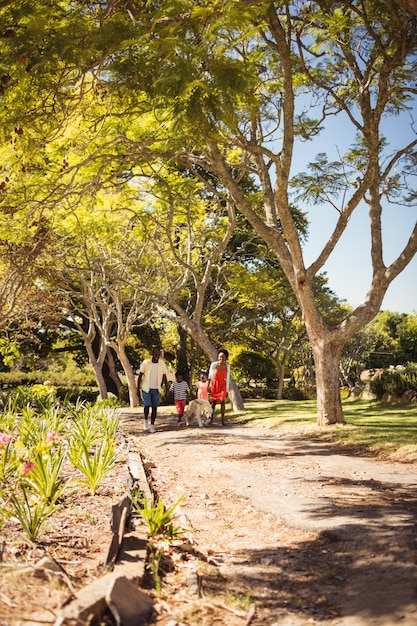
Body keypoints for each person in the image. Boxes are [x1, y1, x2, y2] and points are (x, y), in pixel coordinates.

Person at [137, 347, 169, 433]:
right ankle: (145, 421)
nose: (157, 356)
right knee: (147, 405)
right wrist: (137, 389)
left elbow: (164, 377)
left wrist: (167, 389)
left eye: (158, 355)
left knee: (154, 408)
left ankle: (152, 425)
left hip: (156, 388)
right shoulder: (146, 363)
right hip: (146, 388)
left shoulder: (162, 364)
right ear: (152, 353)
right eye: (155, 354)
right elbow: (140, 376)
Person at [208, 349, 231, 426]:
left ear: (226, 358)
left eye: (223, 357)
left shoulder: (227, 367)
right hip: (214, 384)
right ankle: (210, 419)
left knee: (222, 401)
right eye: (220, 357)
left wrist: (227, 390)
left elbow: (227, 378)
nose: (221, 358)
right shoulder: (214, 365)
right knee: (213, 403)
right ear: (218, 357)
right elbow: (210, 376)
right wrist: (209, 385)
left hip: (222, 385)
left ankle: (223, 420)